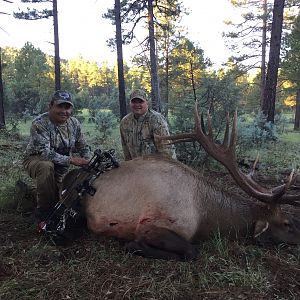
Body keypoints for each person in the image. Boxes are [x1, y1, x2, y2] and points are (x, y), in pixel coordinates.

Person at [23, 90, 91, 221]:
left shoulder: (74, 123)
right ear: (50, 106)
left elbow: (82, 146)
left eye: (67, 107)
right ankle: (44, 212)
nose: (64, 111)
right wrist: (71, 160)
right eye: (60, 106)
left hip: (61, 166)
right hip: (36, 159)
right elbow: (45, 154)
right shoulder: (40, 123)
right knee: (46, 167)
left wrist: (88, 162)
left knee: (61, 195)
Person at [120, 88, 176, 160]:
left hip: (156, 166)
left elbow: (167, 150)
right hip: (136, 166)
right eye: (134, 102)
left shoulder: (156, 120)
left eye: (140, 102)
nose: (137, 105)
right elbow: (126, 151)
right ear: (130, 103)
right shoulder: (125, 122)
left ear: (147, 103)